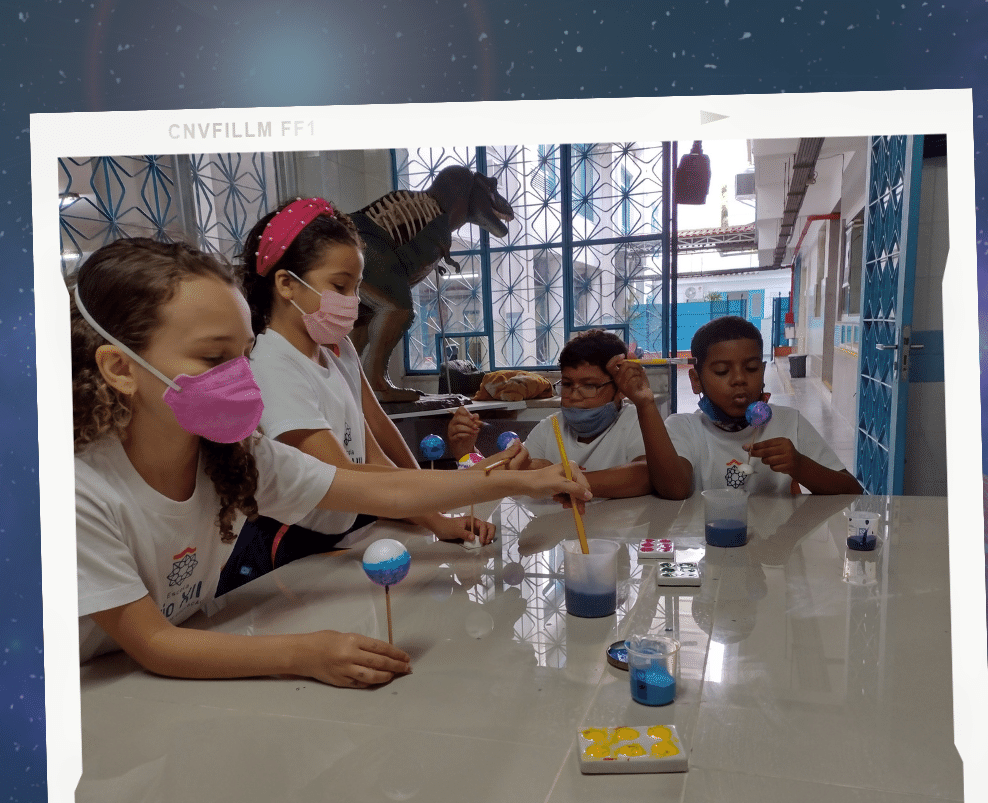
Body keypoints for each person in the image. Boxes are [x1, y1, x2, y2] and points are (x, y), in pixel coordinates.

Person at [71, 238, 591, 688]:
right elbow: (155, 644)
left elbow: (374, 488)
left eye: (244, 355)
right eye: (213, 358)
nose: (241, 378)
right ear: (119, 367)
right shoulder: (77, 490)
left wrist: (507, 481)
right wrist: (303, 652)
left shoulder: (229, 456)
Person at [232, 197, 492, 588]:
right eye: (340, 286)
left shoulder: (337, 348)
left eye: (356, 287)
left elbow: (373, 440)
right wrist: (449, 497)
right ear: (286, 283)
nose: (353, 301)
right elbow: (345, 476)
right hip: (291, 544)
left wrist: (435, 515)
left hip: (348, 524)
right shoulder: (270, 364)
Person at [609, 315, 862, 498]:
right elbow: (674, 489)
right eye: (722, 371)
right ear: (696, 380)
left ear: (763, 371)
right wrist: (645, 404)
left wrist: (800, 465)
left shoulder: (789, 422)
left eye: (751, 368)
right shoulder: (683, 427)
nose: (739, 379)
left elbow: (851, 490)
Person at [501, 329, 653, 499]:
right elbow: (519, 477)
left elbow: (647, 475)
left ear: (620, 388)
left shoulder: (636, 422)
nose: (574, 396)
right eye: (567, 384)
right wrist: (529, 469)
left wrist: (562, 482)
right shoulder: (550, 428)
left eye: (589, 386)